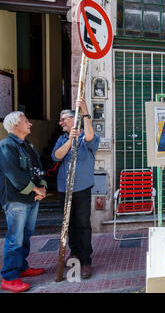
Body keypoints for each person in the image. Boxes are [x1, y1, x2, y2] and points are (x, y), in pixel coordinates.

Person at [51, 97, 99, 279]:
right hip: (65, 189)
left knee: (83, 225)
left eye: (63, 119)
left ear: (74, 119)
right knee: (68, 225)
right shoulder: (63, 138)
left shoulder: (86, 139)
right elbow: (56, 156)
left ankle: (86, 260)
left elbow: (90, 137)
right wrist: (70, 140)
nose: (60, 122)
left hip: (82, 189)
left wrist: (85, 112)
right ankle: (74, 253)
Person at [0, 111, 47, 292]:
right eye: (26, 121)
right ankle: (9, 277)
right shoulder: (6, 146)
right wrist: (36, 190)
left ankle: (21, 267)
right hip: (16, 200)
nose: (30, 124)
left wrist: (42, 188)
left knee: (26, 235)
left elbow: (38, 168)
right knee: (15, 238)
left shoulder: (28, 145)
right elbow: (15, 175)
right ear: (15, 126)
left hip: (32, 197)